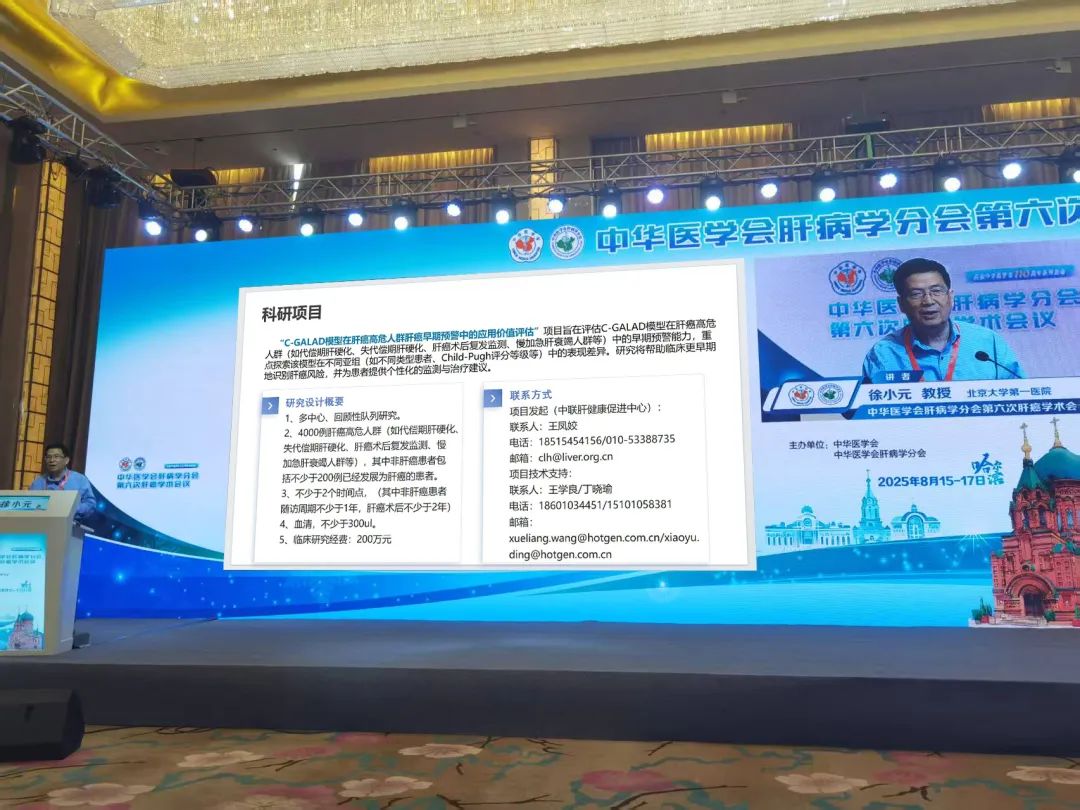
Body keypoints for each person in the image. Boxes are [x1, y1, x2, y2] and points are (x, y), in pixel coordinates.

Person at [862, 257, 1024, 382]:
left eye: (936, 291)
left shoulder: (987, 342)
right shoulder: (884, 353)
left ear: (950, 297)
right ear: (901, 304)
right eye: (916, 294)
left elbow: (1021, 395)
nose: (928, 301)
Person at [28, 442, 96, 522]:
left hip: (69, 525)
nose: (52, 460)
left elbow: (90, 504)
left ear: (66, 460)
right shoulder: (38, 482)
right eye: (49, 457)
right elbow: (29, 505)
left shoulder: (79, 480)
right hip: (42, 525)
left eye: (56, 456)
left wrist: (72, 510)